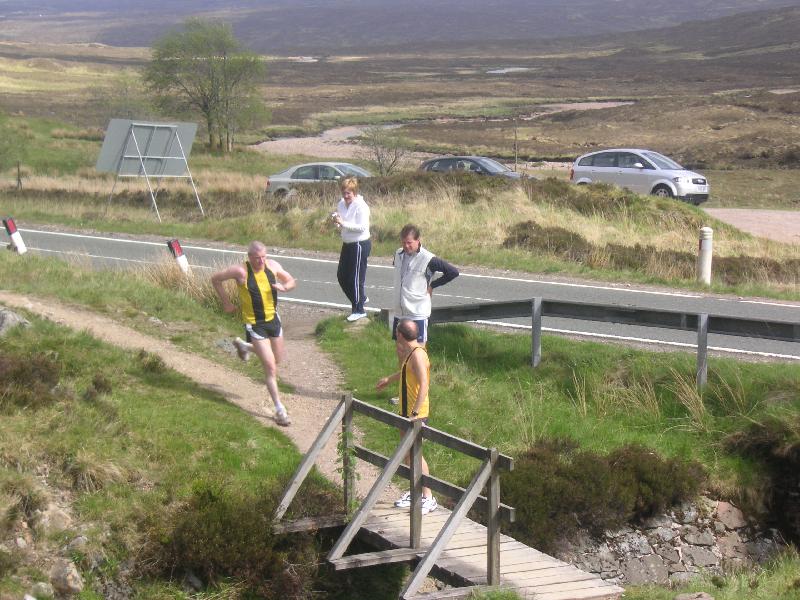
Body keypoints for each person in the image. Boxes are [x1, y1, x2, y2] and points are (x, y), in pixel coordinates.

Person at [211, 241, 296, 427]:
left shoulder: (272, 266)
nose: (261, 261)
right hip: (254, 323)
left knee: (278, 359)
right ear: (249, 257)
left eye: (264, 257)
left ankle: (244, 346)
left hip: (274, 320)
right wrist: (226, 303)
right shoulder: (241, 271)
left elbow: (291, 280)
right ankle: (280, 410)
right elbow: (215, 279)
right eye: (257, 258)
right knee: (271, 367)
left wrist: (285, 287)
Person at [376, 319, 437, 515]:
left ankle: (428, 497)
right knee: (408, 454)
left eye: (397, 331)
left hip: (415, 413)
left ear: (400, 334)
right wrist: (389, 379)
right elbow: (405, 373)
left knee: (416, 454)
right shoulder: (411, 353)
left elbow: (424, 385)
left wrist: (415, 413)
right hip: (406, 412)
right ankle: (415, 491)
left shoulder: (418, 355)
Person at [392, 224, 459, 343]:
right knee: (400, 349)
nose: (406, 246)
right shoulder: (398, 254)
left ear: (418, 240)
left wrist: (432, 285)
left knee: (418, 350)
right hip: (399, 313)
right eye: (403, 243)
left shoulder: (428, 258)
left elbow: (452, 272)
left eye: (409, 242)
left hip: (417, 313)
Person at [332, 175, 371, 322]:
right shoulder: (341, 204)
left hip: (360, 244)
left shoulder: (361, 206)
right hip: (347, 243)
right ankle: (361, 299)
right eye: (344, 192)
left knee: (356, 278)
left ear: (355, 192)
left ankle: (359, 310)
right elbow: (341, 222)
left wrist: (343, 223)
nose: (346, 195)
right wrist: (337, 221)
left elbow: (362, 227)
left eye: (349, 193)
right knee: (342, 276)